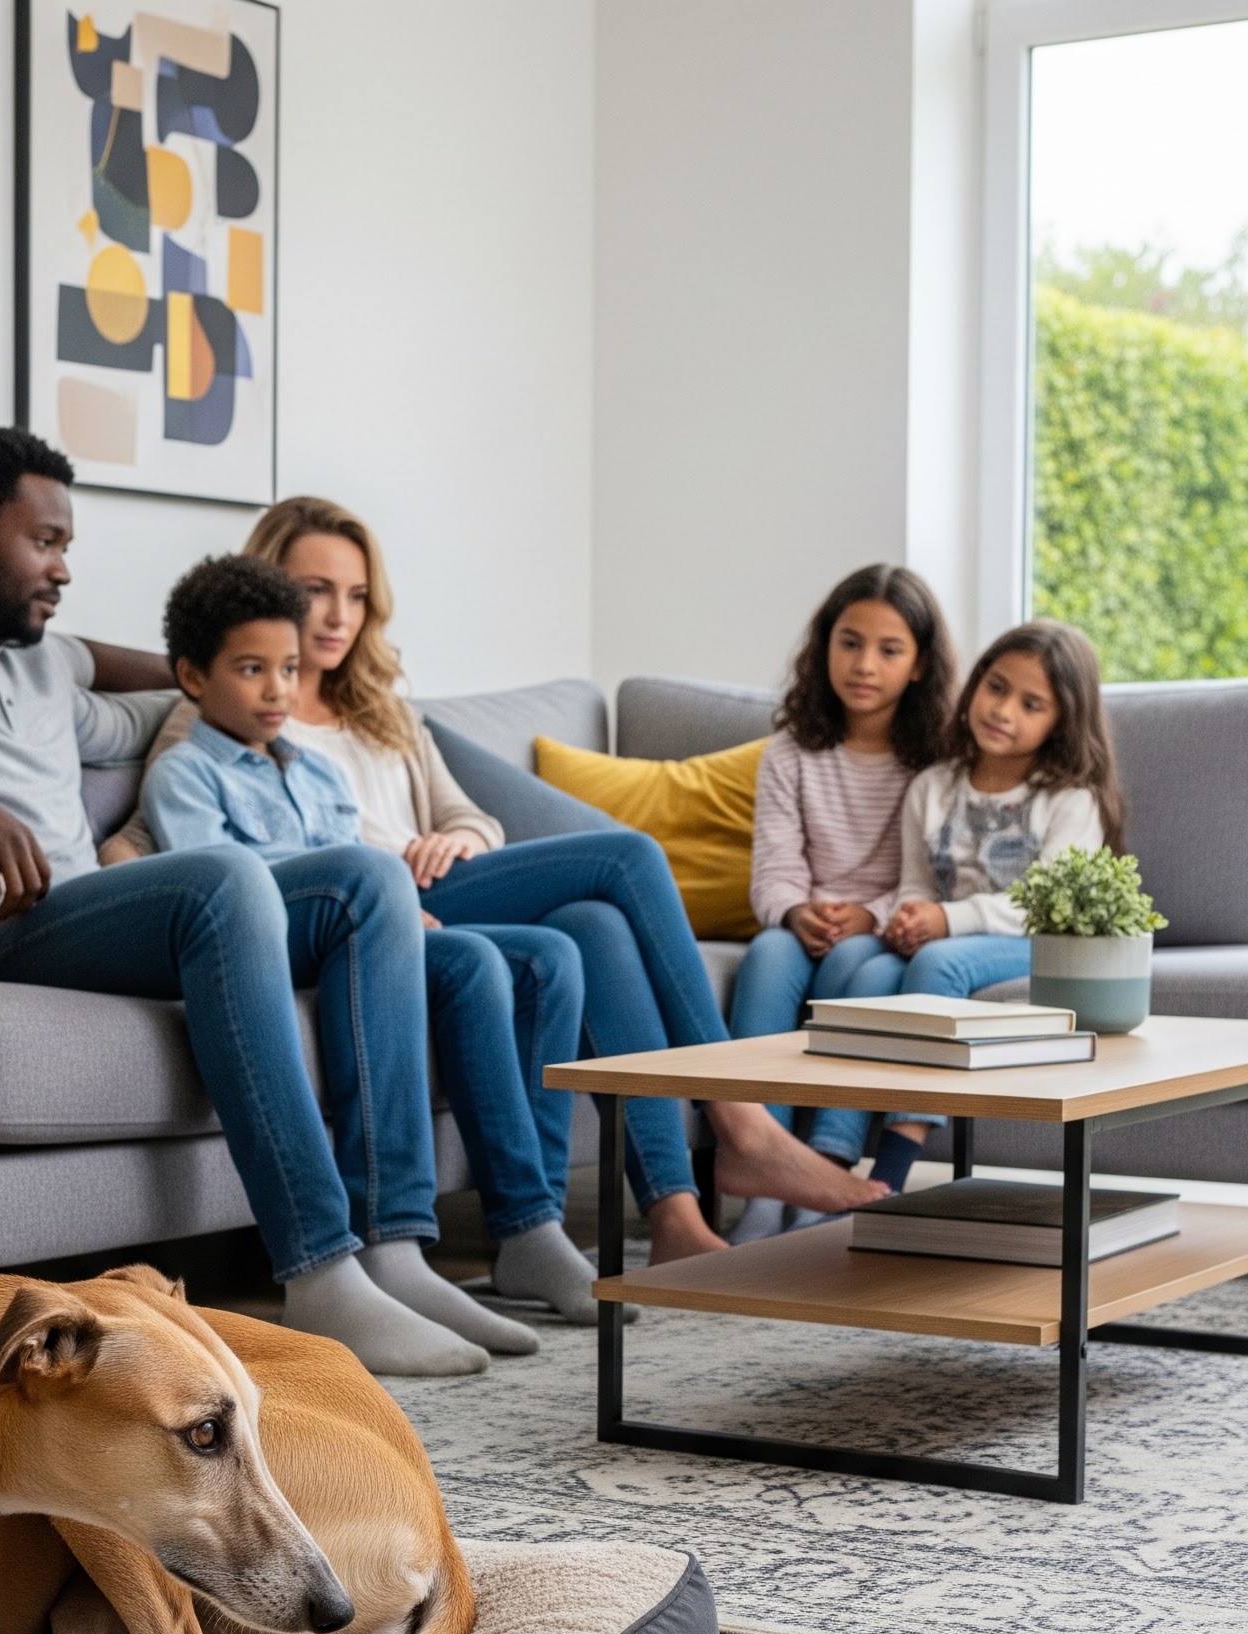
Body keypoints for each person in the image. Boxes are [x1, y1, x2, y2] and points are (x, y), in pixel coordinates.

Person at [0, 424, 490, 1379]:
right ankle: (318, 1267)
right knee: (227, 878)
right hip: (2, 921)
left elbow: (171, 676)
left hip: (97, 910)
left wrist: (226, 658)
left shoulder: (44, 661)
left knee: (365, 882)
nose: (65, 568)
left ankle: (394, 1245)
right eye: (47, 542)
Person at [237, 495, 885, 1264]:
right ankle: (742, 1121)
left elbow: (474, 816)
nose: (338, 615)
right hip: (375, 913)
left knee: (596, 927)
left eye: (355, 595)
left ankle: (675, 1215)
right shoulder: (244, 707)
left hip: (443, 884)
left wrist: (456, 838)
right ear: (269, 587)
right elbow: (174, 830)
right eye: (316, 591)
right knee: (627, 857)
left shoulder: (383, 712)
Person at [139, 552, 591, 1345]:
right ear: (192, 676)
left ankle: (523, 1225)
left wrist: (393, 913)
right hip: (266, 944)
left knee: (496, 960)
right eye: (252, 670)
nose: (279, 689)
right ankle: (391, 1242)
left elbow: (354, 856)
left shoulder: (313, 773)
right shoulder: (185, 773)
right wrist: (375, 891)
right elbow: (217, 884)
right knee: (380, 886)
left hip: (351, 938)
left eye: (286, 667)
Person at [724, 566, 956, 1241]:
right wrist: (796, 912)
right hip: (804, 921)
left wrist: (872, 916)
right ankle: (760, 1169)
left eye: (890, 650)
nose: (864, 665)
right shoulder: (791, 752)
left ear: (918, 665)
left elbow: (932, 875)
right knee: (767, 955)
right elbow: (772, 869)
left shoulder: (935, 761)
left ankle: (821, 1166)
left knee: (859, 963)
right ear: (824, 646)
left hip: (882, 927)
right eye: (849, 643)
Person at [884, 619, 1119, 996]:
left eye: (1031, 705)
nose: (1003, 711)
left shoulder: (1070, 801)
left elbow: (1047, 908)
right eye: (996, 688)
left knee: (937, 964)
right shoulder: (931, 787)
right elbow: (917, 885)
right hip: (946, 932)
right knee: (859, 966)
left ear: (1061, 722)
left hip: (1034, 940)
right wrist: (909, 919)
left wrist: (949, 918)